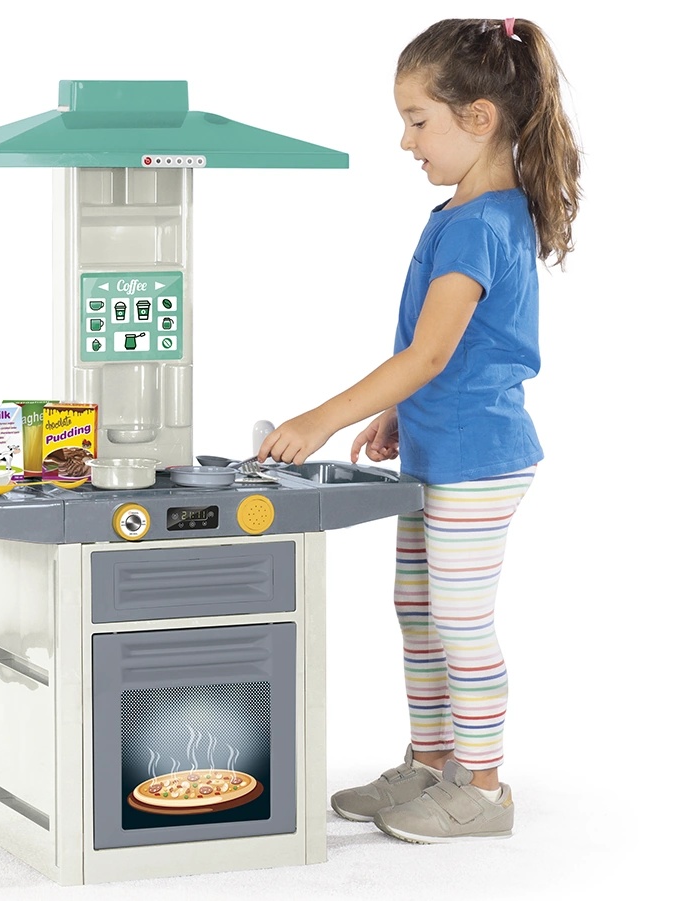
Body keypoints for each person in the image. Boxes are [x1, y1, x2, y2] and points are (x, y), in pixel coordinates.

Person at [256, 17, 581, 843]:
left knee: (459, 622)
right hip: (437, 453)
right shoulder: (463, 211)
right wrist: (400, 408)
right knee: (417, 611)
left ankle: (482, 786)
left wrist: (321, 418)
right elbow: (455, 347)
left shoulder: (479, 223)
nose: (405, 140)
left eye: (416, 119)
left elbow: (429, 352)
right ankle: (432, 763)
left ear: (478, 117)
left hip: (477, 460)